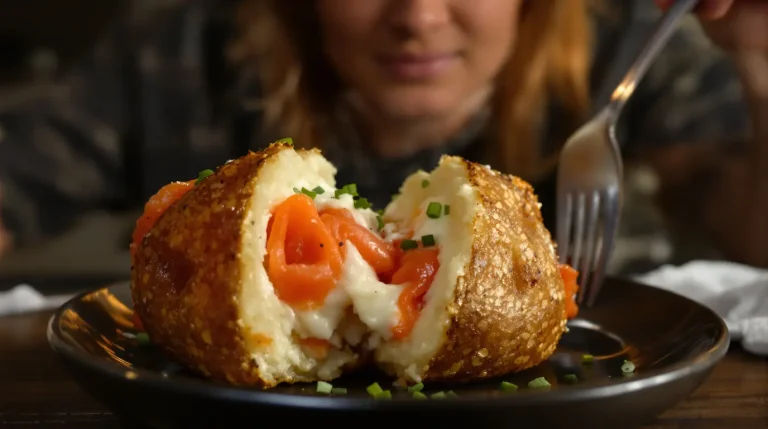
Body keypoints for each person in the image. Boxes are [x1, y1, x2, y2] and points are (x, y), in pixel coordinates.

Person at [0, 0, 765, 267]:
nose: (419, 19)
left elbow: (752, 230)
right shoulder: (177, 54)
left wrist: (761, 64)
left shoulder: (628, 47)